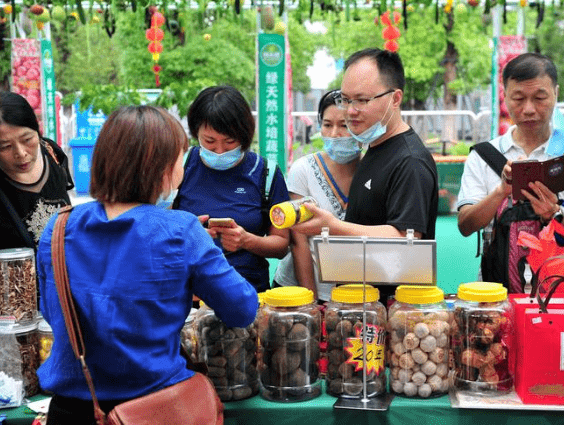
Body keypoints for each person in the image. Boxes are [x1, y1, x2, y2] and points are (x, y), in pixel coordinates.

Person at [35, 106, 258, 424]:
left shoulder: (57, 228)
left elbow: (51, 309)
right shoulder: (182, 230)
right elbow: (242, 308)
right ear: (164, 168)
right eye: (180, 159)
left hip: (72, 409)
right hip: (156, 407)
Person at [291, 48, 439, 302]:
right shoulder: (374, 146)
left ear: (395, 98)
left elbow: (406, 238)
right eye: (345, 99)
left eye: (361, 100)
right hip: (358, 306)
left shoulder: (410, 161)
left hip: (388, 310)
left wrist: (333, 226)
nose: (350, 111)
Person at [457, 53, 564, 258]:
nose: (528, 109)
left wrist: (555, 214)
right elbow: (465, 226)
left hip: (561, 285)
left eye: (539, 98)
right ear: (505, 96)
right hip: (497, 288)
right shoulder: (483, 156)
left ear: (555, 94)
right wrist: (501, 191)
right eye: (518, 98)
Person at [174, 85, 290, 293]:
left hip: (249, 291)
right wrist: (187, 234)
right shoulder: (180, 167)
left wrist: (247, 240)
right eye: (209, 141)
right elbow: (155, 226)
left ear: (244, 135)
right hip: (189, 295)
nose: (219, 151)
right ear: (195, 132)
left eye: (230, 142)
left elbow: (282, 244)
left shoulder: (266, 173)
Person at [273, 90, 361, 302]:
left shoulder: (373, 171)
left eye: (344, 125)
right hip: (300, 291)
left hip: (351, 295)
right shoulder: (304, 170)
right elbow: (298, 242)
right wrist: (311, 303)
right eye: (328, 125)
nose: (334, 134)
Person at [0, 91, 73, 250]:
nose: (21, 153)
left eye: (27, 139)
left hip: (61, 272)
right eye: (5, 147)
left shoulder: (52, 153)